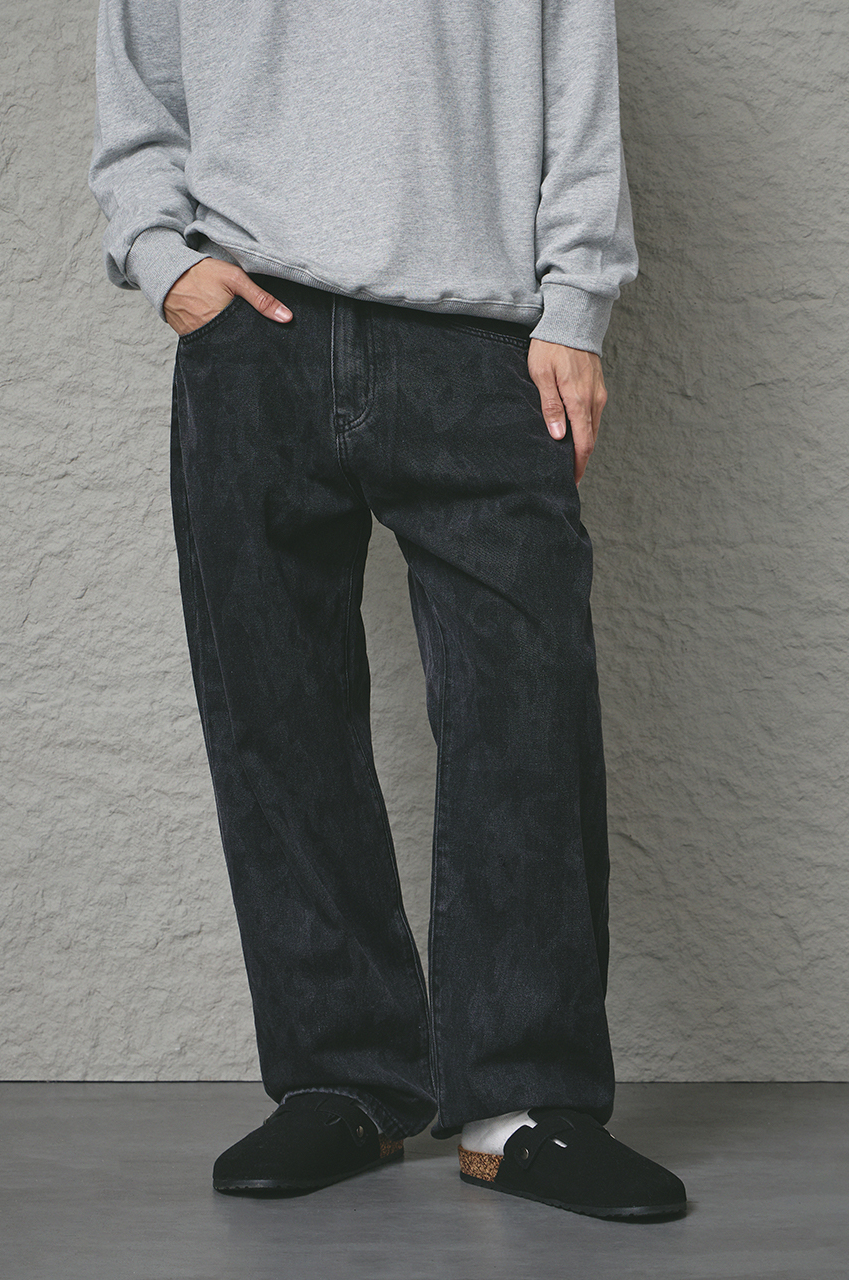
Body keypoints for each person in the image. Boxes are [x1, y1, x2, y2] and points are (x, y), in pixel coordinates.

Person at [88, 0, 687, 1222]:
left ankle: (525, 1098)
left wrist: (577, 300)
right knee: (276, 715)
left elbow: (576, 73)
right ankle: (342, 1079)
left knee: (525, 708)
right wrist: (162, 255)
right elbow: (141, 79)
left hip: (484, 338)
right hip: (253, 332)